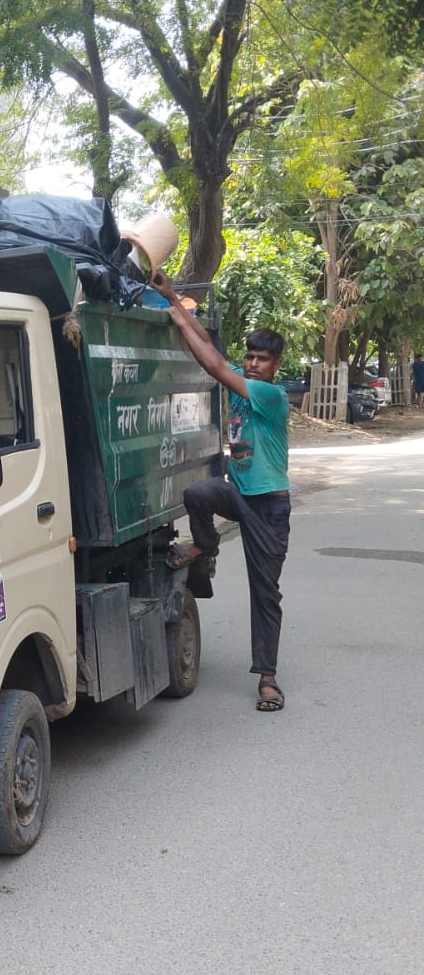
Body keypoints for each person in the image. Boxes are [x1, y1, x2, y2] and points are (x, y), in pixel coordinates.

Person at [153, 275, 291, 712]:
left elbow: (214, 364)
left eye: (262, 359)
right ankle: (206, 546)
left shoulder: (269, 395)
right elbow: (214, 351)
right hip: (240, 493)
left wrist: (179, 317)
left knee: (265, 591)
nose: (252, 364)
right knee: (197, 494)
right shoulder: (244, 380)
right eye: (249, 357)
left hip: (268, 506)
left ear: (275, 366)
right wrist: (176, 302)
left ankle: (267, 676)